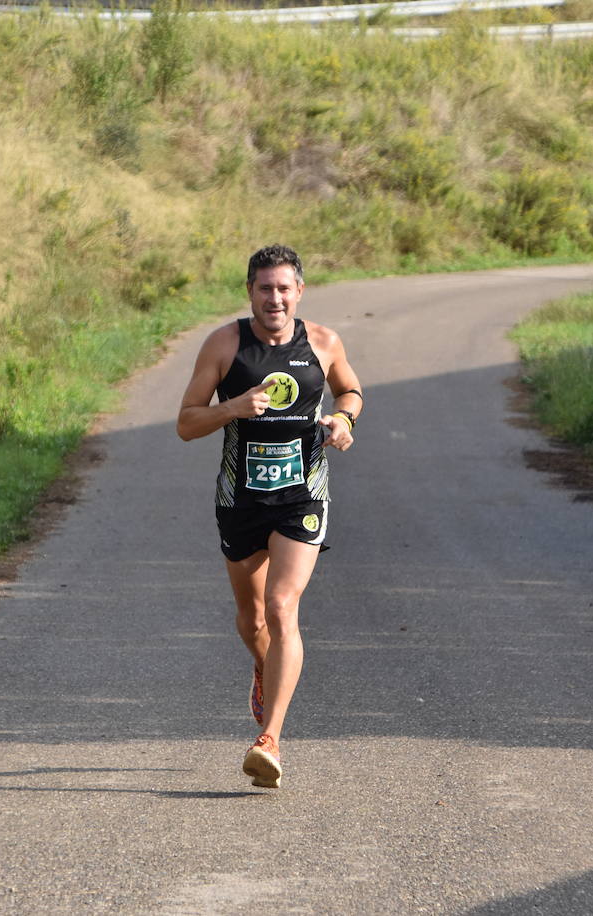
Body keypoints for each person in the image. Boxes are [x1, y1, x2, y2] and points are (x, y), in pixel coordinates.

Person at [176, 244, 362, 789]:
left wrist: (345, 419)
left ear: (299, 291)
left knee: (283, 606)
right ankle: (265, 667)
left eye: (284, 288)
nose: (274, 298)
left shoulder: (323, 343)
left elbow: (350, 390)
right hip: (240, 497)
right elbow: (186, 424)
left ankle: (270, 739)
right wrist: (233, 407)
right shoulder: (225, 344)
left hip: (304, 492)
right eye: (264, 288)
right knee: (252, 620)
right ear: (250, 292)